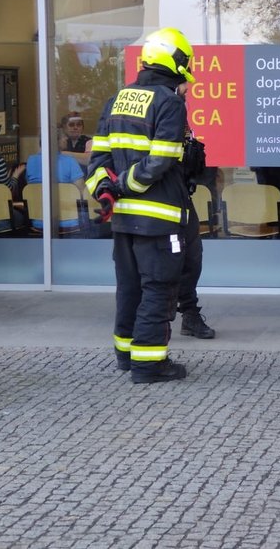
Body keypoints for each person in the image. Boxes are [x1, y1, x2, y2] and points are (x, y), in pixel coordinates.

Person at [85, 27, 196, 384]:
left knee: (129, 287)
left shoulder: (116, 100)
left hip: (123, 221)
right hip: (159, 219)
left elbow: (97, 159)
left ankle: (126, 355)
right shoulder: (169, 102)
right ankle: (149, 364)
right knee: (159, 287)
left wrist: (105, 190)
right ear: (175, 61)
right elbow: (160, 161)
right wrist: (123, 186)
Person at [176, 124, 215, 339]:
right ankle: (153, 318)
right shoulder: (161, 106)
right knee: (158, 263)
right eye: (184, 87)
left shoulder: (176, 108)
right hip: (155, 199)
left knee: (192, 256)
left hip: (181, 196)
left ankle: (190, 314)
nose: (186, 90)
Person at [23, 143, 85, 231]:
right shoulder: (70, 161)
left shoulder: (31, 161)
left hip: (39, 222)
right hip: (70, 222)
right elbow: (82, 192)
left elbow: (31, 189)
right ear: (56, 139)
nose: (66, 139)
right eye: (63, 136)